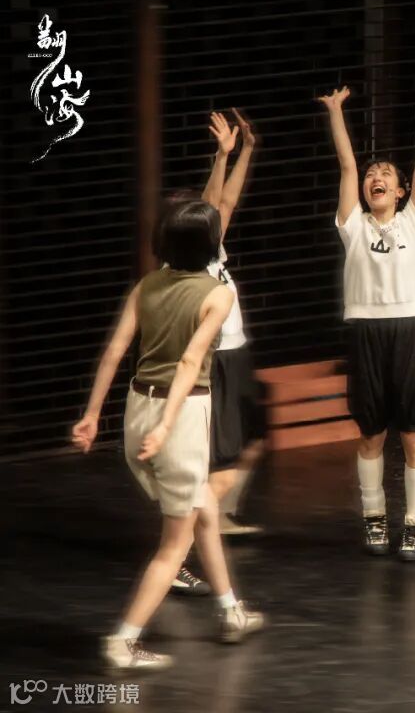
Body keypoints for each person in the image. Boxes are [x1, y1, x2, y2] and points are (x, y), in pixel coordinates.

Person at [72, 198, 265, 672]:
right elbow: (189, 362)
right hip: (179, 418)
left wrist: (92, 415)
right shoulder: (217, 294)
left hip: (137, 408)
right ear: (211, 244)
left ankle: (231, 611)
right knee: (174, 545)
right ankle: (123, 641)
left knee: (204, 509)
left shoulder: (147, 285)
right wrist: (165, 427)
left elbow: (115, 351)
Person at [318, 84, 415, 561]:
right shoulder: (353, 225)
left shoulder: (413, 221)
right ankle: (374, 515)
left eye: (385, 175)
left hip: (411, 331)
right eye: (372, 174)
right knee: (371, 434)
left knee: (414, 433)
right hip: (367, 332)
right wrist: (336, 112)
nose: (375, 177)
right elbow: (346, 164)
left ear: (400, 192)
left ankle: (413, 523)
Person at [170, 109, 266, 598]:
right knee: (214, 467)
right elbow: (216, 202)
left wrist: (244, 150)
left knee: (245, 446)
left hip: (235, 355)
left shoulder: (212, 252)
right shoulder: (186, 262)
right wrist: (223, 155)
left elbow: (224, 201)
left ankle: (208, 520)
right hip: (215, 363)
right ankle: (179, 551)